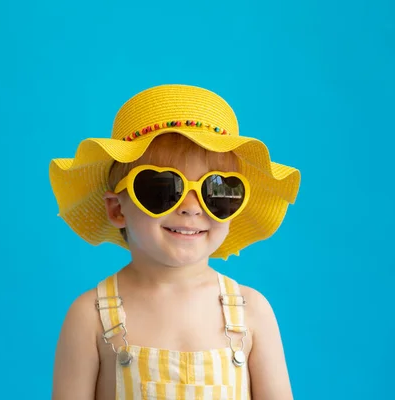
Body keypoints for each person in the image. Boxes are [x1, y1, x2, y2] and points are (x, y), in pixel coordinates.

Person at [49, 84, 301, 400]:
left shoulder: (252, 313)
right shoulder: (90, 317)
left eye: (217, 191)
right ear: (117, 208)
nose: (191, 207)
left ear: (234, 209)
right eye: (163, 188)